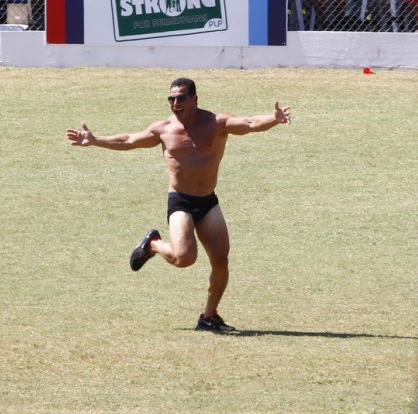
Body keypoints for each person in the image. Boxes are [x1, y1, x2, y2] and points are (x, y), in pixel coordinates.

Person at [66, 78, 291, 332]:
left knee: (220, 261)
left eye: (181, 98)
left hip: (208, 201)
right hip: (181, 201)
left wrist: (274, 118)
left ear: (194, 99)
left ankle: (209, 316)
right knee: (184, 258)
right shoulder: (164, 129)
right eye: (171, 99)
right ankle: (153, 244)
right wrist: (96, 140)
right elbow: (129, 140)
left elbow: (249, 123)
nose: (175, 103)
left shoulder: (216, 123)